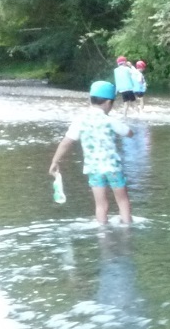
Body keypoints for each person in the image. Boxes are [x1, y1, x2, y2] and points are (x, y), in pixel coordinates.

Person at [49, 80, 134, 224]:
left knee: (101, 205)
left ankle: (102, 233)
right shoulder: (110, 120)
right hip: (113, 167)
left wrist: (55, 161)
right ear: (108, 103)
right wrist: (129, 130)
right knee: (123, 201)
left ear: (90, 99)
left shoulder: (80, 120)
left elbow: (66, 142)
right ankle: (127, 230)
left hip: (94, 169)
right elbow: (129, 133)